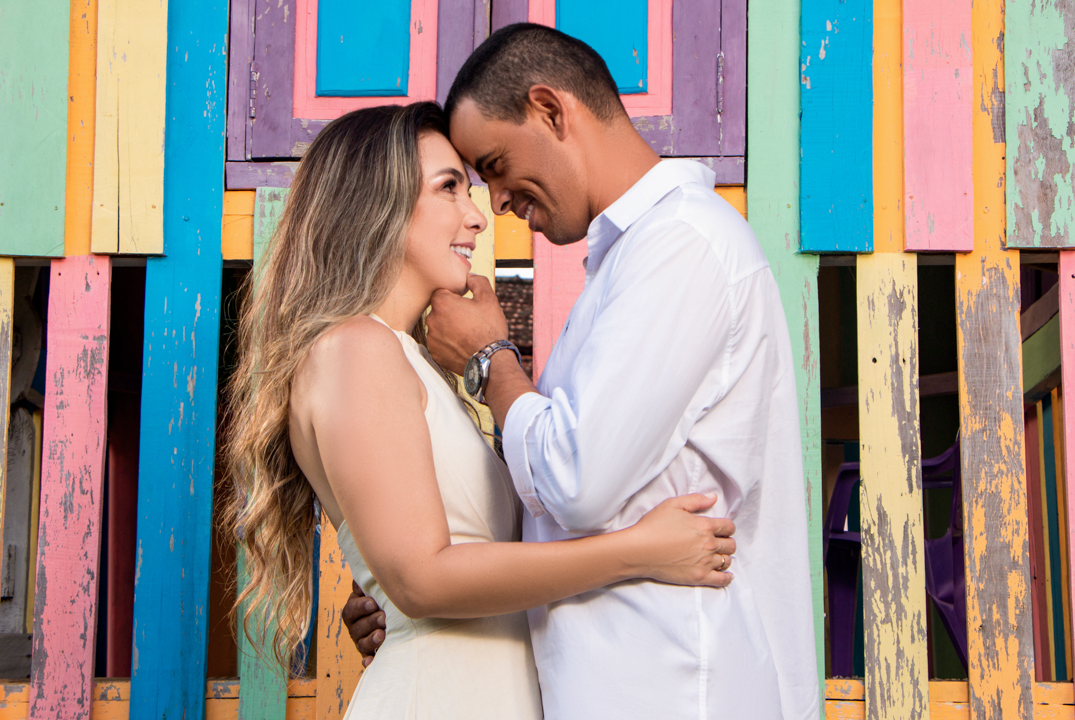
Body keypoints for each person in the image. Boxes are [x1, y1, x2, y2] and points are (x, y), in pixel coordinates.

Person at [346, 23, 819, 720]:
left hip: (675, 687)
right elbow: (546, 514)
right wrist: (407, 592)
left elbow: (576, 481)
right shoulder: (624, 265)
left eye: (496, 165)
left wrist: (492, 360)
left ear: (551, 110)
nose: (496, 203)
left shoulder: (681, 245)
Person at [223, 101, 738, 720]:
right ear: (373, 202)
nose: (477, 217)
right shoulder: (356, 349)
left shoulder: (408, 362)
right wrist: (641, 551)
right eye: (449, 189)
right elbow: (423, 580)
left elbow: (430, 571)